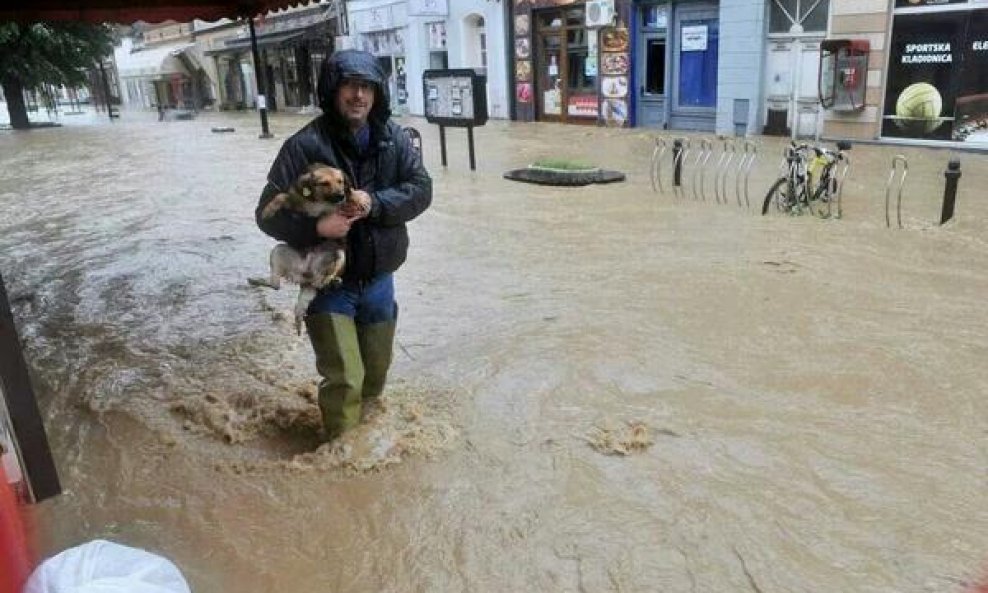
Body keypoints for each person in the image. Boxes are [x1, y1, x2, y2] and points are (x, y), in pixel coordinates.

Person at [255, 50, 432, 440]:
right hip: (329, 283)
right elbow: (265, 216)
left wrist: (374, 203)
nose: (358, 96)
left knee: (375, 375)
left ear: (377, 94)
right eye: (349, 86)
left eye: (366, 87)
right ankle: (341, 456)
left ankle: (366, 444)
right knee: (346, 380)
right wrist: (319, 226)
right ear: (332, 92)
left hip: (380, 280)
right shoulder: (302, 146)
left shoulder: (395, 139)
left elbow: (421, 191)